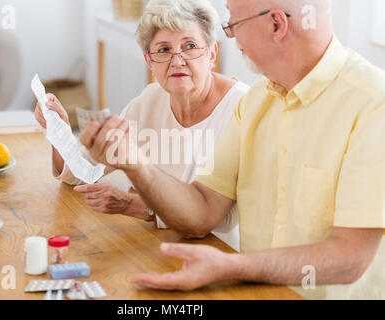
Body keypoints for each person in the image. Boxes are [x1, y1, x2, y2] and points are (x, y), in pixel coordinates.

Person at [79, 0, 385, 299]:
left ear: (276, 24)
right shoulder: (256, 103)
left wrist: (233, 266)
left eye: (234, 23)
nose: (229, 34)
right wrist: (136, 164)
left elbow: (351, 258)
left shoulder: (374, 104)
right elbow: (201, 212)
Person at [34, 0, 249, 247]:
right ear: (149, 61)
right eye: (164, 50)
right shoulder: (149, 99)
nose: (177, 60)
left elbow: (222, 219)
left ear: (211, 53)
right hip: (158, 245)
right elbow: (84, 171)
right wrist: (58, 130)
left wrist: (138, 206)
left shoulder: (241, 107)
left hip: (217, 254)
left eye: (189, 46)